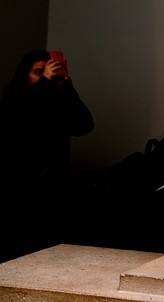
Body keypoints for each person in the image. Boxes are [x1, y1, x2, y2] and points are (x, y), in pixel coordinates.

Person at [0, 49, 94, 261]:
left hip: (51, 191)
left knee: (45, 250)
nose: (45, 75)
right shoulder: (14, 103)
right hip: (17, 192)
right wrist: (45, 81)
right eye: (38, 72)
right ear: (25, 75)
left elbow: (84, 125)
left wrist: (66, 85)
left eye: (49, 71)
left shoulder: (57, 104)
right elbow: (14, 119)